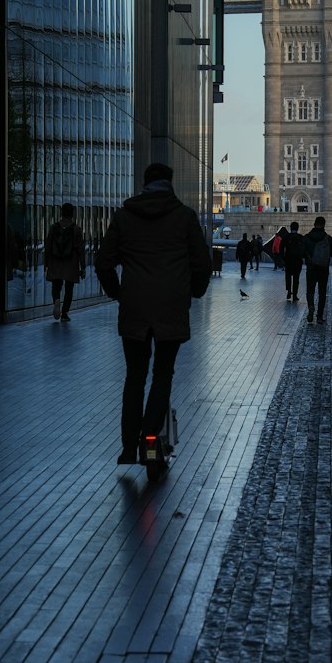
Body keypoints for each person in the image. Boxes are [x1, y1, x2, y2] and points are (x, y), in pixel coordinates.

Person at [95, 161, 211, 466]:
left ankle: (128, 447)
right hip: (171, 305)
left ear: (144, 184)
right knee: (163, 375)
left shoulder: (123, 217)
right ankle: (150, 441)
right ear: (169, 184)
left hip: (134, 305)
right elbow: (202, 263)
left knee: (134, 376)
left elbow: (104, 262)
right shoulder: (185, 217)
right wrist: (194, 291)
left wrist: (117, 292)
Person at [44, 202, 86, 320]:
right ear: (72, 214)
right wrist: (83, 267)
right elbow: (80, 250)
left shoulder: (53, 227)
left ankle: (57, 301)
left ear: (61, 213)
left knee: (56, 285)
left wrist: (46, 263)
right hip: (70, 263)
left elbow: (48, 247)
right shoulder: (77, 229)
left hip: (55, 262)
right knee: (69, 288)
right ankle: (64, 313)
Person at [303, 215, 332, 323]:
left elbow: (301, 252)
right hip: (323, 269)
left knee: (310, 291)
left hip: (311, 269)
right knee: (322, 293)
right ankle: (319, 316)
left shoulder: (306, 238)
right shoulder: (328, 238)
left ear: (314, 224)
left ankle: (311, 306)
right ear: (324, 225)